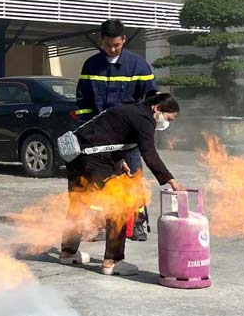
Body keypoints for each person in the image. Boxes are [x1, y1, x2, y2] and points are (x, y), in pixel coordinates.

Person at [58, 93, 184, 276]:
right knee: (118, 206)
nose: (166, 123)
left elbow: (107, 136)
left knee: (79, 203)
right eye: (168, 118)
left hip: (78, 157)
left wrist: (119, 161)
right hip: (94, 159)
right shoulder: (144, 118)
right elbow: (149, 153)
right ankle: (113, 260)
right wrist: (170, 180)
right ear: (157, 108)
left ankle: (67, 252)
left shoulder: (130, 110)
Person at [75, 19, 159, 241]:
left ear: (123, 40)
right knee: (98, 182)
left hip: (128, 139)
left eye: (117, 45)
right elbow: (83, 102)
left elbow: (150, 101)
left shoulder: (139, 66)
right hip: (98, 139)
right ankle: (100, 225)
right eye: (108, 45)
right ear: (102, 41)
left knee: (132, 179)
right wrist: (85, 134)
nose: (112, 49)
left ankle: (137, 223)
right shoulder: (91, 65)